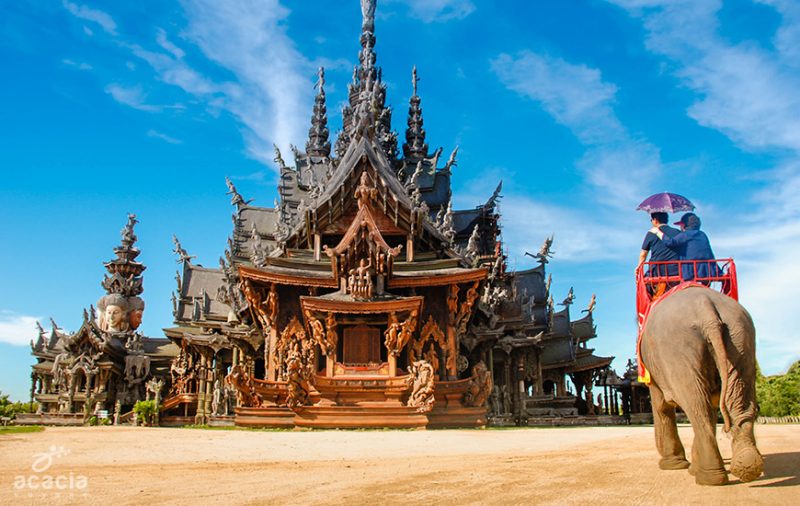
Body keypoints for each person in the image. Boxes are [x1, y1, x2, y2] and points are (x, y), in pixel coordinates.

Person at [650, 212, 718, 281]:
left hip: (691, 271)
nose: (680, 227)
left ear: (684, 225)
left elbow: (670, 242)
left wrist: (657, 232)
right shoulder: (703, 234)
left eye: (681, 225)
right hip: (709, 270)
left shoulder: (686, 235)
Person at [637, 212, 681, 297]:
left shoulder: (651, 233)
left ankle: (647, 305)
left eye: (651, 220)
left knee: (644, 288)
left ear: (655, 220)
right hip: (677, 270)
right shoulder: (677, 232)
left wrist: (638, 268)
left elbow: (643, 255)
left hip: (657, 272)